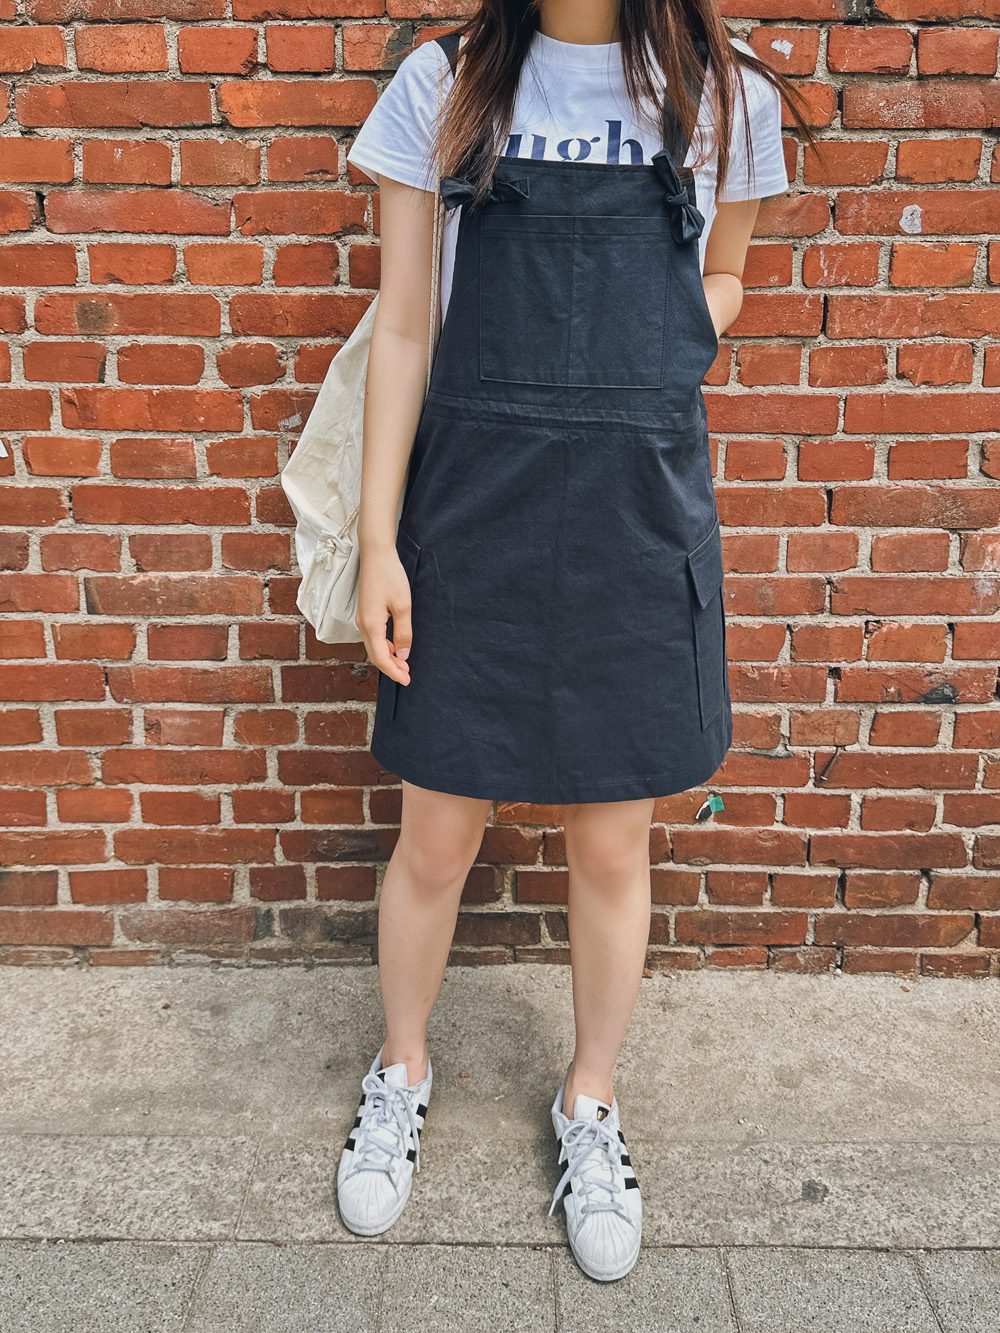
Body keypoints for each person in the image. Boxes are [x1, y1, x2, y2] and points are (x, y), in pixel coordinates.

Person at [336, 0, 814, 1283]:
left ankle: (590, 1098)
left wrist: (659, 350)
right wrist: (378, 544)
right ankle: (401, 1069)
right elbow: (404, 325)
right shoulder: (443, 84)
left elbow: (726, 275)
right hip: (469, 513)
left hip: (631, 518)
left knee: (611, 842)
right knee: (436, 834)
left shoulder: (723, 93)